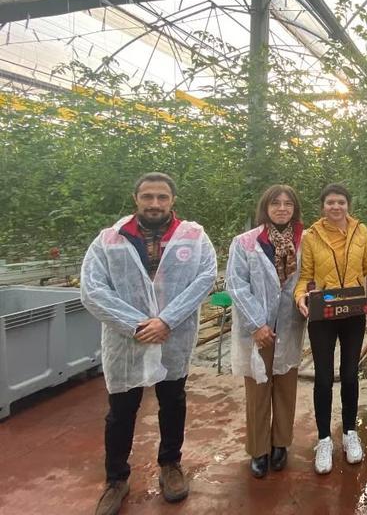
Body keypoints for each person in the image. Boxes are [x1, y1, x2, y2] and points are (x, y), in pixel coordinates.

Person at [81, 172, 217, 515]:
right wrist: (138, 325)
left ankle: (170, 465)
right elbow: (92, 289)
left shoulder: (193, 236)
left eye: (162, 197)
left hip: (173, 336)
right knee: (121, 411)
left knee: (173, 402)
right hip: (127, 340)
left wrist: (166, 320)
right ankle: (116, 479)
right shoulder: (110, 239)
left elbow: (205, 278)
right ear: (136, 199)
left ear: (172, 200)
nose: (155, 204)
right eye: (148, 197)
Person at [294, 184, 367, 475]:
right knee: (322, 377)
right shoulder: (311, 236)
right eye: (330, 202)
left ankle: (349, 432)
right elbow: (306, 275)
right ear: (322, 206)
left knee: (349, 374)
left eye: (341, 202)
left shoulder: (361, 231)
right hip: (324, 312)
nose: (336, 207)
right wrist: (301, 296)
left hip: (354, 311)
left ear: (348, 205)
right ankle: (323, 439)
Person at [226, 185, 306, 479]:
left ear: (295, 209)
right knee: (258, 390)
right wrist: (256, 324)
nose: (282, 208)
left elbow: (309, 278)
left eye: (288, 203)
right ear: (265, 207)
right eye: (276, 203)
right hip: (257, 330)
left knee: (286, 387)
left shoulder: (305, 240)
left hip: (289, 324)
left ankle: (280, 444)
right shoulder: (246, 242)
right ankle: (258, 449)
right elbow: (236, 285)